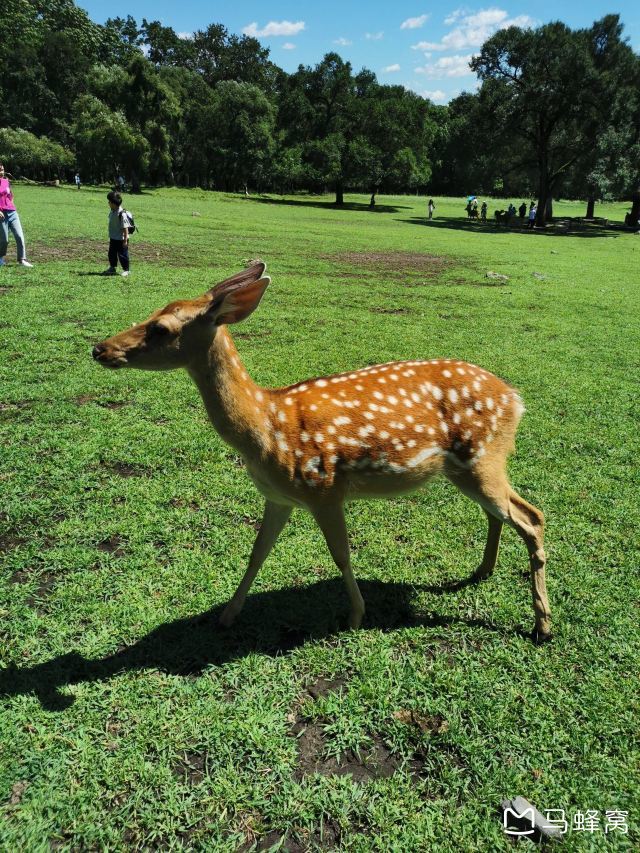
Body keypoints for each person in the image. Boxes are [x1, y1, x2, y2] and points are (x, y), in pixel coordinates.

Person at [0, 163, 33, 267]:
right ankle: (0, 257)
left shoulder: (6, 181)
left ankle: (22, 259)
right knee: (4, 240)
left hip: (12, 212)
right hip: (1, 214)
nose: (1, 172)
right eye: (0, 170)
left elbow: (11, 195)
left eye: (2, 169)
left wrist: (11, 204)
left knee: (19, 236)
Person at [102, 190, 130, 277]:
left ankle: (126, 270)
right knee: (112, 254)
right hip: (113, 237)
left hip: (121, 239)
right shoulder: (112, 210)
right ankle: (112, 267)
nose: (108, 203)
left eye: (109, 202)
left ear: (114, 203)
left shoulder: (122, 214)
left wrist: (125, 240)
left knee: (122, 255)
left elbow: (125, 228)